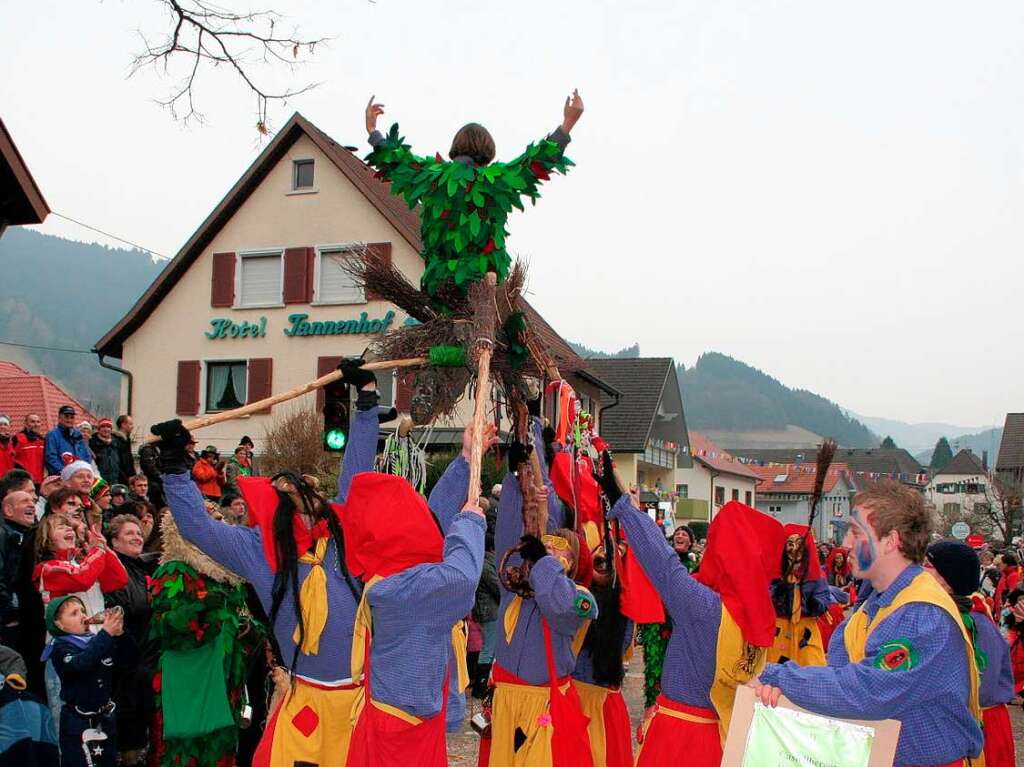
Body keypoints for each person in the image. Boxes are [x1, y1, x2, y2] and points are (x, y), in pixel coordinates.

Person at [155, 361, 475, 766]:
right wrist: (174, 469)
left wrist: (367, 405)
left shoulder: (343, 534)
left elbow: (357, 479)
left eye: (307, 494)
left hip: (364, 702)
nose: (306, 502)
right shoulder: (258, 549)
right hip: (304, 704)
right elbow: (196, 527)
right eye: (291, 497)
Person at [754, 481, 984, 767]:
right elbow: (841, 679)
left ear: (891, 541)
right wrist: (790, 692)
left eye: (856, 532)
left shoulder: (920, 612)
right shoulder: (878, 605)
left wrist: (779, 677)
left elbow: (867, 691)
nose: (846, 543)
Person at [606, 463, 785, 767]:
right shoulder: (760, 617)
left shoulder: (703, 606)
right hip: (724, 737)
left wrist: (624, 507)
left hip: (679, 736)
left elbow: (663, 564)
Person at [364, 90, 582, 305]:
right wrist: (567, 124)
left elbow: (395, 160)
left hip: (438, 288)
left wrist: (373, 131)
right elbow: (534, 164)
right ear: (488, 150)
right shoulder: (494, 181)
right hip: (482, 287)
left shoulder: (429, 177)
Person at [344, 475, 484, 767]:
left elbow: (437, 520)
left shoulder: (388, 576)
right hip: (404, 732)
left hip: (398, 720)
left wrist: (466, 462)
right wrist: (470, 522)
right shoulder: (411, 588)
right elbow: (462, 578)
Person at [483, 417, 598, 767]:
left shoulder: (581, 600)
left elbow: (559, 602)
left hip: (542, 707)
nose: (552, 553)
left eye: (563, 551)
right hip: (506, 702)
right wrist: (517, 477)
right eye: (547, 547)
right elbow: (510, 534)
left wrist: (543, 562)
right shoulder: (516, 587)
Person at [148, 509, 265, 767]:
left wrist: (247, 627)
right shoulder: (175, 570)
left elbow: (241, 616)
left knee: (222, 749)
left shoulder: (228, 576)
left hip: (225, 678)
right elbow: (167, 628)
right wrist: (203, 609)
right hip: (192, 680)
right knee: (188, 753)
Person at [924, 541, 1016, 767]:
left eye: (927, 566)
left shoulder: (967, 622)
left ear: (946, 579)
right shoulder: (966, 614)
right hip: (975, 726)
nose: (919, 572)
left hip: (979, 729)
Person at [42, 595, 125, 767]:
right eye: (74, 613)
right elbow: (82, 663)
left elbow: (130, 661)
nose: (83, 616)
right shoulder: (60, 647)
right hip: (77, 722)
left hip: (104, 719)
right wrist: (105, 635)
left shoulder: (97, 640)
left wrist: (121, 634)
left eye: (83, 611)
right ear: (59, 624)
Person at [103, 515, 157, 767]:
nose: (137, 537)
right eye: (129, 533)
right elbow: (126, 610)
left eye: (138, 533)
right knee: (129, 729)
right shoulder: (114, 569)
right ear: (113, 541)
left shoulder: (140, 567)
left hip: (146, 658)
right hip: (127, 663)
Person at [636, 524, 697, 717]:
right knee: (654, 665)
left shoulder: (694, 569)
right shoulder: (664, 563)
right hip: (656, 621)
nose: (679, 536)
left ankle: (671, 705)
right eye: (677, 533)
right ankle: (651, 705)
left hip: (679, 625)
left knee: (676, 665)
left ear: (690, 542)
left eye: (684, 534)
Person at [767, 526, 830, 666]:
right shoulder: (775, 575)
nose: (794, 548)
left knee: (811, 666)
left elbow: (824, 598)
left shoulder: (816, 575)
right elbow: (765, 598)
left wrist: (815, 604)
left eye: (799, 543)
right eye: (790, 543)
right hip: (780, 630)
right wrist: (779, 595)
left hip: (805, 630)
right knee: (777, 668)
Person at [1, 489, 36, 648]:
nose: (32, 505)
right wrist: (10, 614)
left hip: (25, 618)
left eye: (33, 502)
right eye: (24, 501)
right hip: (10, 621)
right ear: (8, 510)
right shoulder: (3, 536)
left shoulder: (30, 537)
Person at [44, 406, 91, 477]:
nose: (69, 420)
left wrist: (84, 470)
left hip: (79, 477)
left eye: (72, 417)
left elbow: (86, 455)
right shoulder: (52, 435)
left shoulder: (78, 435)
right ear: (59, 418)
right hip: (60, 478)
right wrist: (67, 473)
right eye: (66, 417)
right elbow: (51, 458)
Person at [12, 413, 47, 487]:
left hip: (39, 481)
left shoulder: (42, 440)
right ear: (25, 423)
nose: (36, 424)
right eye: (32, 422)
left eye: (38, 422)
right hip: (23, 481)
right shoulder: (17, 438)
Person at [89, 419, 122, 487]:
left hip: (115, 482)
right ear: (99, 429)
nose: (106, 429)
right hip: (98, 482)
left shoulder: (117, 444)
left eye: (108, 427)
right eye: (103, 427)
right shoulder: (92, 443)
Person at [113, 416, 135, 484]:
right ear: (123, 425)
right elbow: (118, 462)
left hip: (127, 478)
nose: (133, 426)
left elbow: (129, 460)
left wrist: (132, 475)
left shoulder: (126, 440)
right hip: (120, 479)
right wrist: (126, 478)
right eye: (130, 424)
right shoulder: (115, 440)